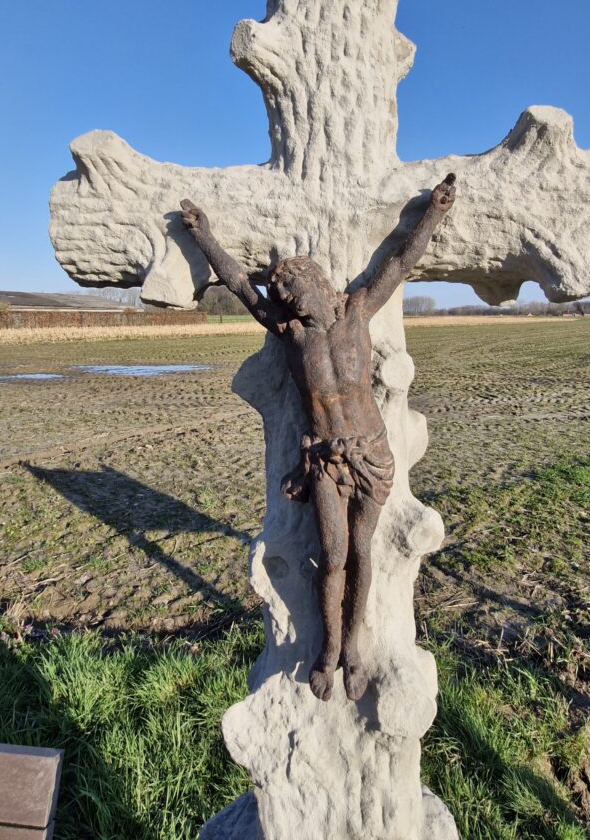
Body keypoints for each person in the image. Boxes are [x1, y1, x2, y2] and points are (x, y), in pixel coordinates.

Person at [180, 172, 456, 701]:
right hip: (326, 461)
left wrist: (434, 213)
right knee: (332, 556)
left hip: (372, 454)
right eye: (281, 293)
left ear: (315, 281)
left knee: (362, 553)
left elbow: (400, 262)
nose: (285, 298)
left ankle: (353, 648)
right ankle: (328, 651)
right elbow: (239, 285)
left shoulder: (358, 310)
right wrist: (204, 235)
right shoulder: (291, 334)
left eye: (291, 288)